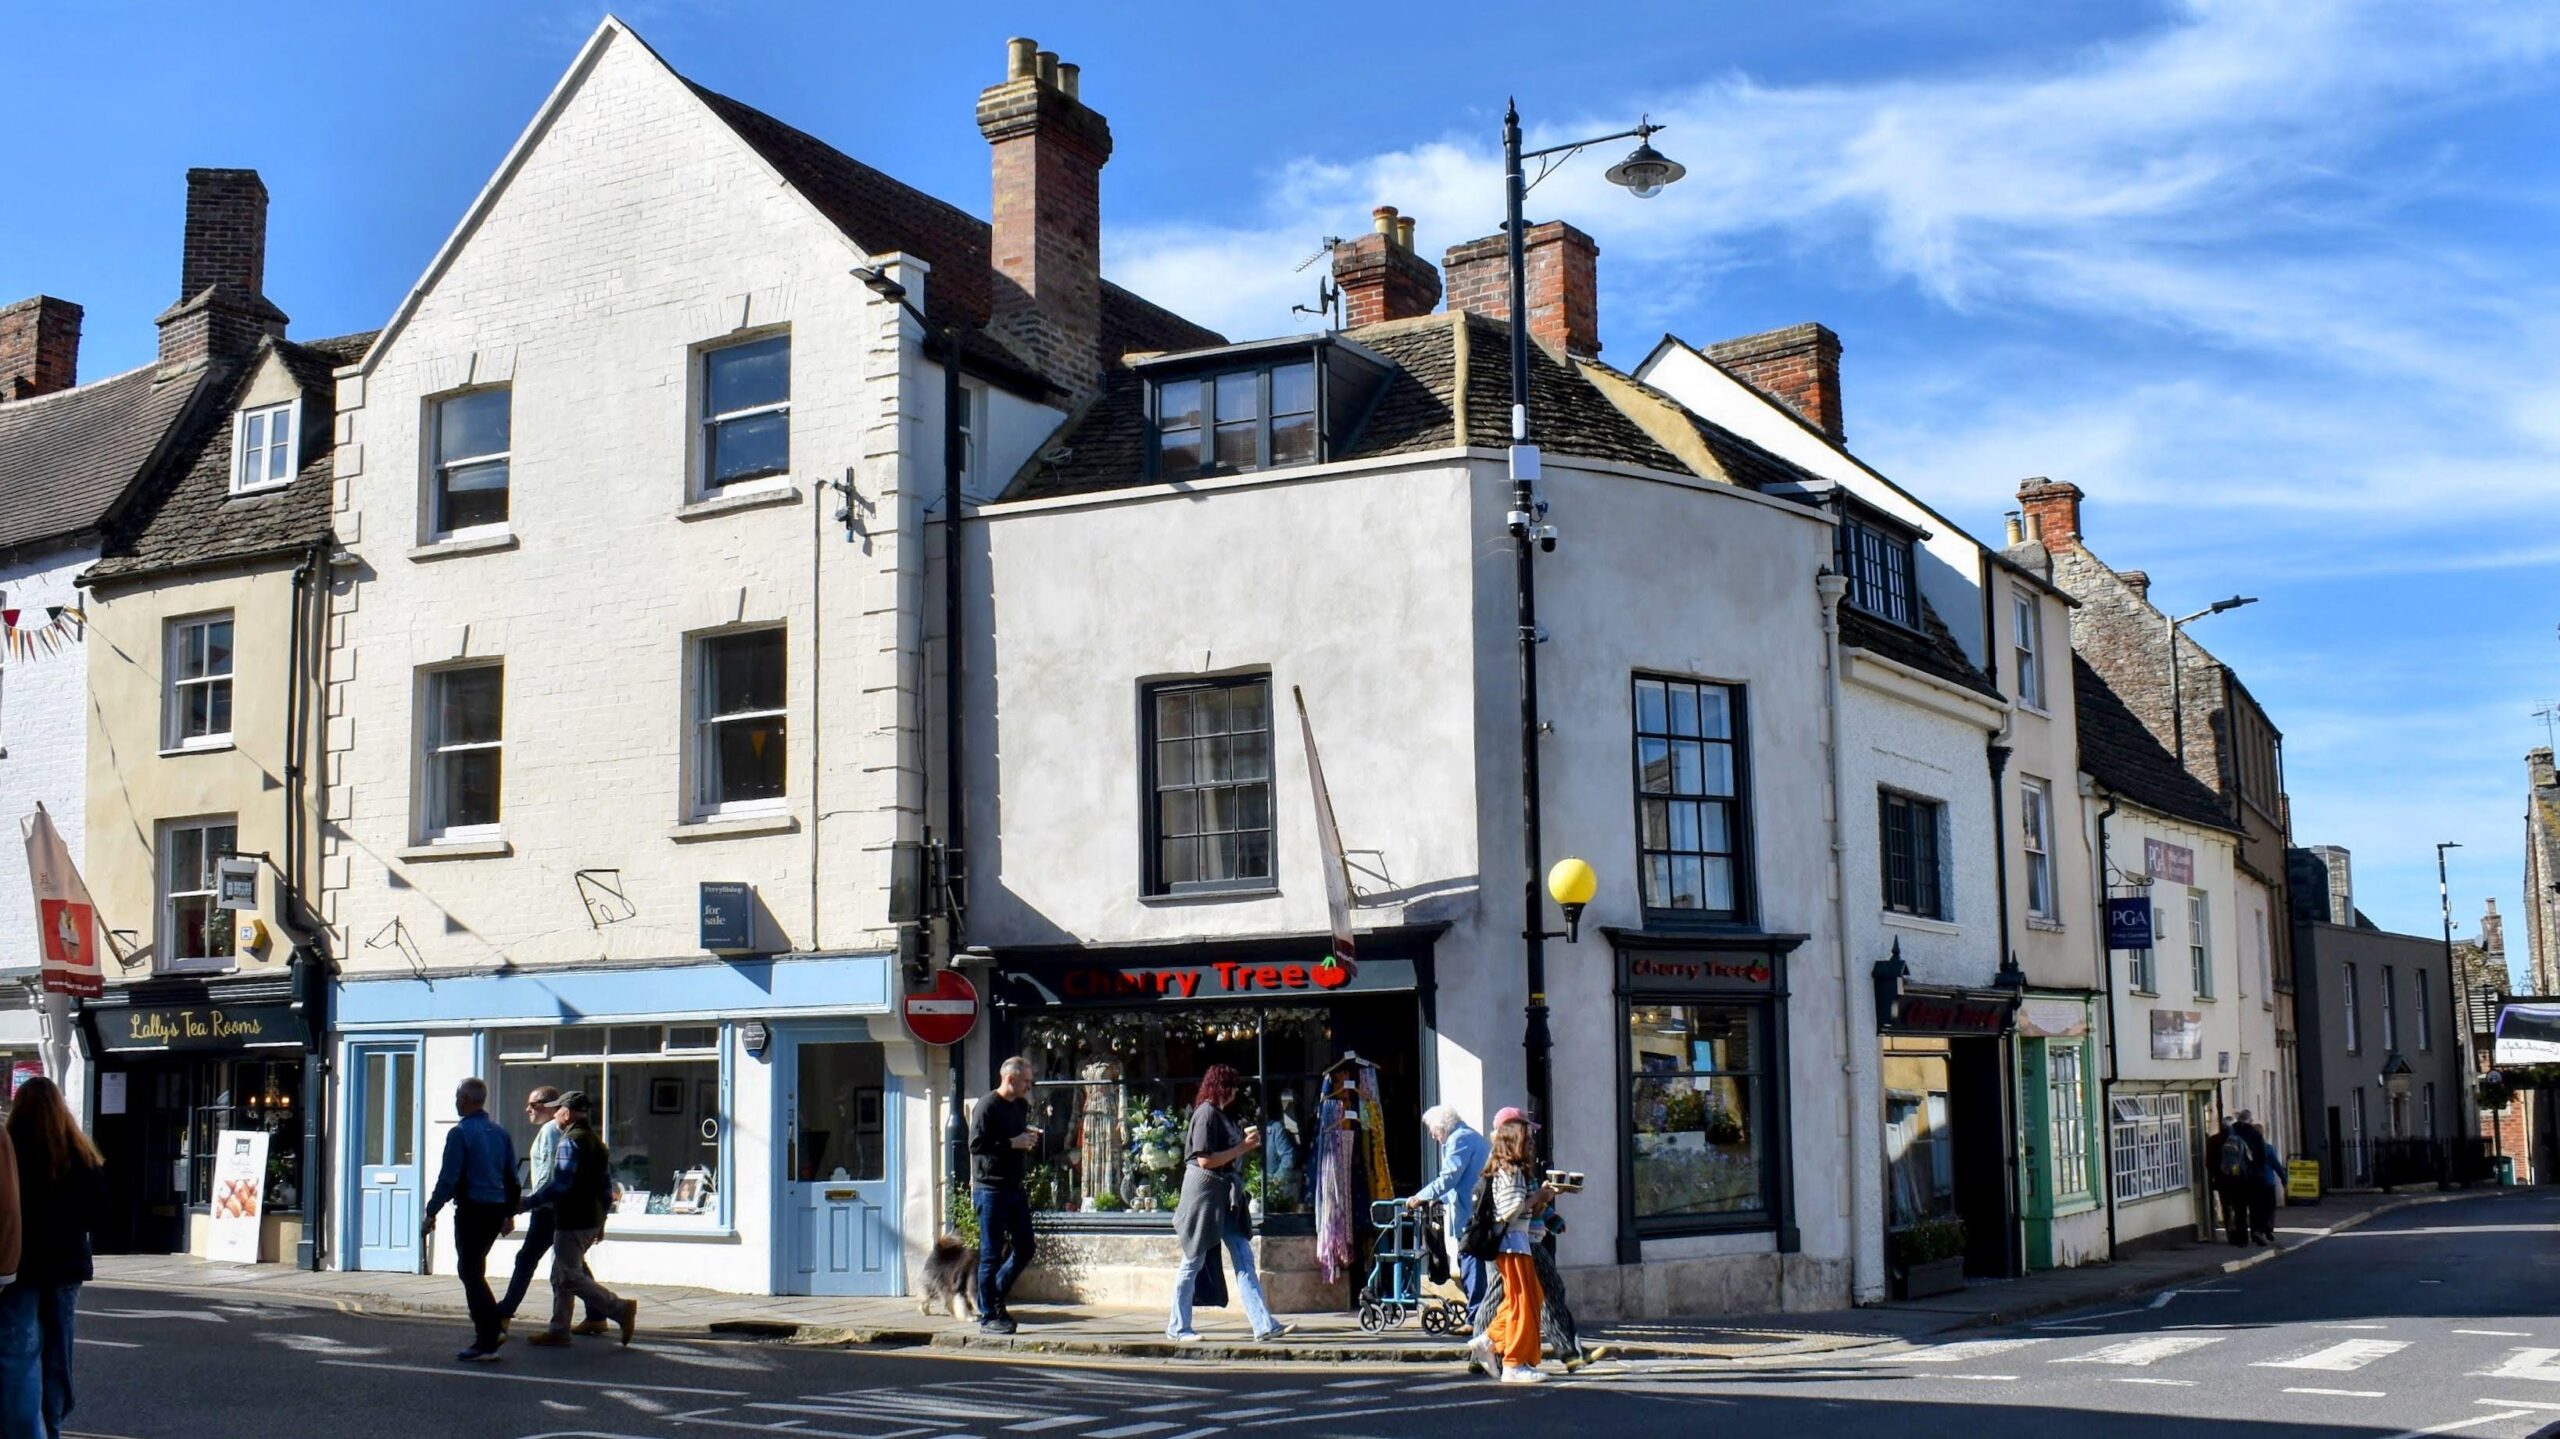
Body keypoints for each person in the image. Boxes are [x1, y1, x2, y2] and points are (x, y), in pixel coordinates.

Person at [1166, 1064, 1294, 1343]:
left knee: (1244, 1258)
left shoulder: (1218, 1115)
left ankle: (1263, 1325)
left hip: (1224, 1198)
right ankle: (1177, 1327)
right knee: (1193, 1260)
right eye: (1232, 1087)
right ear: (1221, 1087)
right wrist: (1243, 1148)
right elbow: (1204, 1160)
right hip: (1206, 1197)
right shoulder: (1206, 1114)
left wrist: (1242, 1148)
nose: (1235, 1093)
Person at [520, 1091, 638, 1349]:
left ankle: (618, 1308)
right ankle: (559, 1330)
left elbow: (560, 1185)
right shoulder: (596, 1142)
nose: (556, 1113)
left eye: (559, 1108)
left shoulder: (569, 1142)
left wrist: (528, 1202)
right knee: (560, 1273)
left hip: (572, 1218)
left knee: (569, 1276)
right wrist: (602, 1221)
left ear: (569, 1112)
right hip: (591, 1218)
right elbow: (606, 1189)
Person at [2, 1078, 84, 1437]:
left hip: (22, 1267)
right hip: (64, 1267)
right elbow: (99, 1209)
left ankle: (26, 1427)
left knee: (20, 1354)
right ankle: (52, 1424)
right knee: (57, 1354)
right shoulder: (77, 1152)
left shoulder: (11, 1146)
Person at [496, 1087, 610, 1336]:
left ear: (555, 1108)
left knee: (528, 1259)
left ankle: (503, 1313)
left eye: (534, 1105)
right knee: (571, 1264)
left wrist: (527, 1205)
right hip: (570, 1210)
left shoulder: (551, 1132)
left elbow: (551, 1177)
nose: (528, 1110)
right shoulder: (584, 1136)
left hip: (549, 1210)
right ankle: (596, 1315)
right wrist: (602, 1217)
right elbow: (603, 1182)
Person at [422, 1077, 520, 1362]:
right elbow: (511, 1178)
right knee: (473, 1270)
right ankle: (491, 1330)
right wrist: (509, 1214)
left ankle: (488, 1336)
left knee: (470, 1272)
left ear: (465, 1099)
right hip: (494, 1211)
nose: (456, 1101)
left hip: (472, 1210)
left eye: (457, 1096)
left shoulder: (460, 1133)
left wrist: (431, 1211)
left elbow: (449, 1178)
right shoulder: (500, 1133)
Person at [1474, 1115, 1554, 1384]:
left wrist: (1540, 1201)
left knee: (1526, 1297)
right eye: (1528, 1139)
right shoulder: (1510, 1170)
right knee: (1524, 1301)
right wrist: (1538, 1197)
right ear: (1515, 1141)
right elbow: (1510, 1210)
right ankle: (1513, 1362)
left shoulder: (1506, 1168)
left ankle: (1490, 1339)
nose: (1532, 1144)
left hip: (1513, 1244)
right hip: (1513, 1245)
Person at [969, 1057, 1042, 1335]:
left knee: (1025, 1246)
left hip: (1014, 1187)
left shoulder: (1020, 1106)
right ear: (1010, 1079)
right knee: (990, 1254)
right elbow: (976, 1144)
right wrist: (1013, 1143)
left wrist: (1026, 1138)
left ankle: (995, 1294)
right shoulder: (987, 1105)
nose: (1029, 1085)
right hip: (990, 1189)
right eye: (1026, 1081)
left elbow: (1015, 1139)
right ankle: (988, 1316)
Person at [1404, 1106, 1490, 1314]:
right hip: (1471, 1210)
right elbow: (1460, 1179)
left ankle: (1476, 1317)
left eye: (1432, 1130)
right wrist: (1437, 1198)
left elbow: (1450, 1177)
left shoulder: (1460, 1139)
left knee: (1471, 1261)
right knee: (1470, 1260)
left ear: (1442, 1127)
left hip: (1472, 1213)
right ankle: (1476, 1312)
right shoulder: (1466, 1137)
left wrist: (1421, 1196)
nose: (1432, 1135)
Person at [2231, 1110, 2276, 1246]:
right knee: (2255, 1207)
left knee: (2240, 1208)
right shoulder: (2255, 1133)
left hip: (2235, 1177)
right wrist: (2258, 1170)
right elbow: (2262, 1156)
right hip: (2253, 1177)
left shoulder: (2231, 1131)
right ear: (2250, 1120)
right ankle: (2256, 1232)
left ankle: (2242, 1237)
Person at [2205, 1116, 2248, 1247]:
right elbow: (2247, 1159)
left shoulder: (2213, 1140)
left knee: (2226, 1207)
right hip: (2239, 1179)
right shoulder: (2240, 1139)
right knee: (2240, 1208)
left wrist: (2215, 1176)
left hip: (2223, 1180)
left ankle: (2231, 1235)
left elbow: (2209, 1163)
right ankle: (2243, 1236)